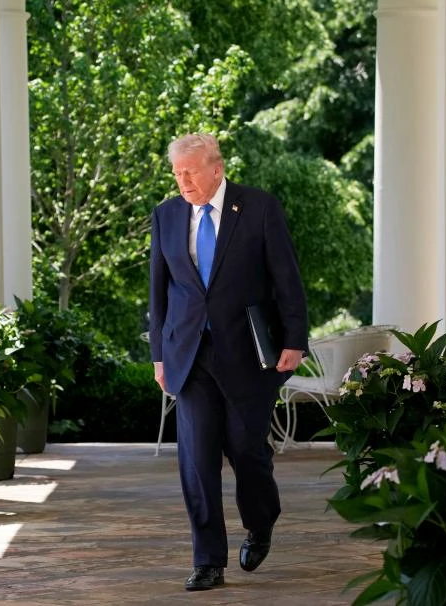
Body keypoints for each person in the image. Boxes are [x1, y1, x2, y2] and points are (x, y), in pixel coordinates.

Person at [149, 133, 308, 591]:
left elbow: (286, 279)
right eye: (177, 173)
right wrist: (159, 354)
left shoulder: (258, 208)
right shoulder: (166, 216)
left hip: (249, 354)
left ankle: (261, 520)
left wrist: (294, 340)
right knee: (197, 459)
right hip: (189, 355)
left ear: (216, 168)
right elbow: (158, 293)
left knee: (246, 449)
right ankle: (208, 560)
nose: (183, 181)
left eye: (190, 171)